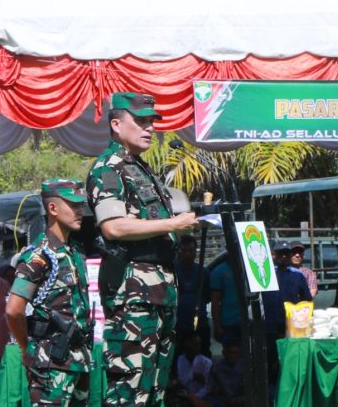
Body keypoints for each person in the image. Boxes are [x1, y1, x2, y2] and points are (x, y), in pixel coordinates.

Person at [86, 92, 199, 406]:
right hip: (133, 294)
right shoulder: (108, 169)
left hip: (159, 292)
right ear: (117, 124)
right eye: (140, 121)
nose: (149, 128)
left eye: (151, 121)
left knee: (155, 390)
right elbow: (113, 226)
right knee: (130, 390)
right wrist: (172, 225)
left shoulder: (142, 169)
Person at [6, 179, 93, 406]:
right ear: (52, 208)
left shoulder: (74, 252)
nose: (79, 211)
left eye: (80, 205)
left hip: (79, 360)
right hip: (50, 362)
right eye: (72, 205)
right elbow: (13, 310)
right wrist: (27, 348)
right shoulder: (39, 256)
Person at [262, 241, 312, 380]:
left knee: (290, 361)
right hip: (270, 326)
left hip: (291, 327)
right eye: (280, 253)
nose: (283, 256)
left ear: (290, 255)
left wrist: (305, 323)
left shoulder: (298, 275)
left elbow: (306, 300)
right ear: (274, 255)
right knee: (272, 361)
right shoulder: (265, 274)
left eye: (286, 253)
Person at [175, 235, 211, 358]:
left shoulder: (203, 272)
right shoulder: (173, 271)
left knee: (204, 355)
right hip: (179, 323)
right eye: (185, 250)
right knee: (178, 357)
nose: (188, 254)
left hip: (200, 322)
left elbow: (208, 296)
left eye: (191, 250)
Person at [210, 257, 242, 345]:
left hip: (244, 321)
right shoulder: (219, 271)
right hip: (227, 322)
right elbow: (215, 300)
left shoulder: (247, 269)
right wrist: (217, 326)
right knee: (231, 353)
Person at [205, 340, 245, 407]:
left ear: (240, 354)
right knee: (206, 399)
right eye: (230, 352)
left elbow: (253, 391)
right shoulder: (216, 368)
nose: (233, 355)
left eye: (236, 352)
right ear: (224, 353)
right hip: (223, 402)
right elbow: (211, 391)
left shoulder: (247, 366)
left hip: (242, 401)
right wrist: (226, 400)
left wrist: (241, 399)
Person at [175, 332, 212, 398]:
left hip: (202, 398)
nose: (198, 347)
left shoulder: (206, 362)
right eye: (195, 344)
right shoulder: (179, 359)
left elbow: (208, 387)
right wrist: (193, 375)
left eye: (199, 344)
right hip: (183, 396)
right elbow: (180, 381)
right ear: (186, 344)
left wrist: (194, 397)